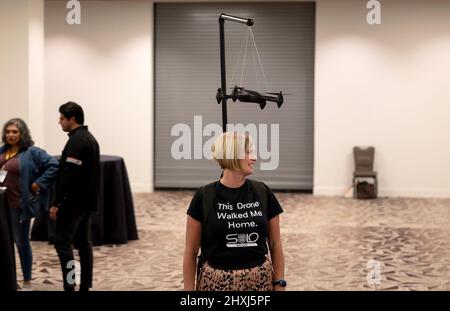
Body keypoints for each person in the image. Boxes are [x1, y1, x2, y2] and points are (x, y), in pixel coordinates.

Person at [183, 131, 286, 291]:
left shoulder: (262, 192)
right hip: (215, 283)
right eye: (248, 152)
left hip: (259, 282)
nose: (254, 157)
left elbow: (275, 243)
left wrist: (280, 283)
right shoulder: (204, 196)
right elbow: (191, 251)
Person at [0, 118, 58, 290]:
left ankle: (26, 281)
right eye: (8, 131)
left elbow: (54, 166)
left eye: (15, 132)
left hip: (18, 206)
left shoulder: (32, 152)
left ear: (22, 133)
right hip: (2, 206)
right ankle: (9, 279)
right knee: (4, 243)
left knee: (21, 242)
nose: (10, 135)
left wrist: (38, 184)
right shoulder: (3, 150)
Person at [49, 102, 100, 291]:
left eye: (62, 118)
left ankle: (70, 285)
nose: (59, 122)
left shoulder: (77, 141)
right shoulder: (89, 138)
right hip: (86, 203)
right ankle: (85, 286)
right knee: (83, 244)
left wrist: (56, 203)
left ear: (72, 119)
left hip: (72, 203)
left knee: (63, 244)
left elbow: (68, 175)